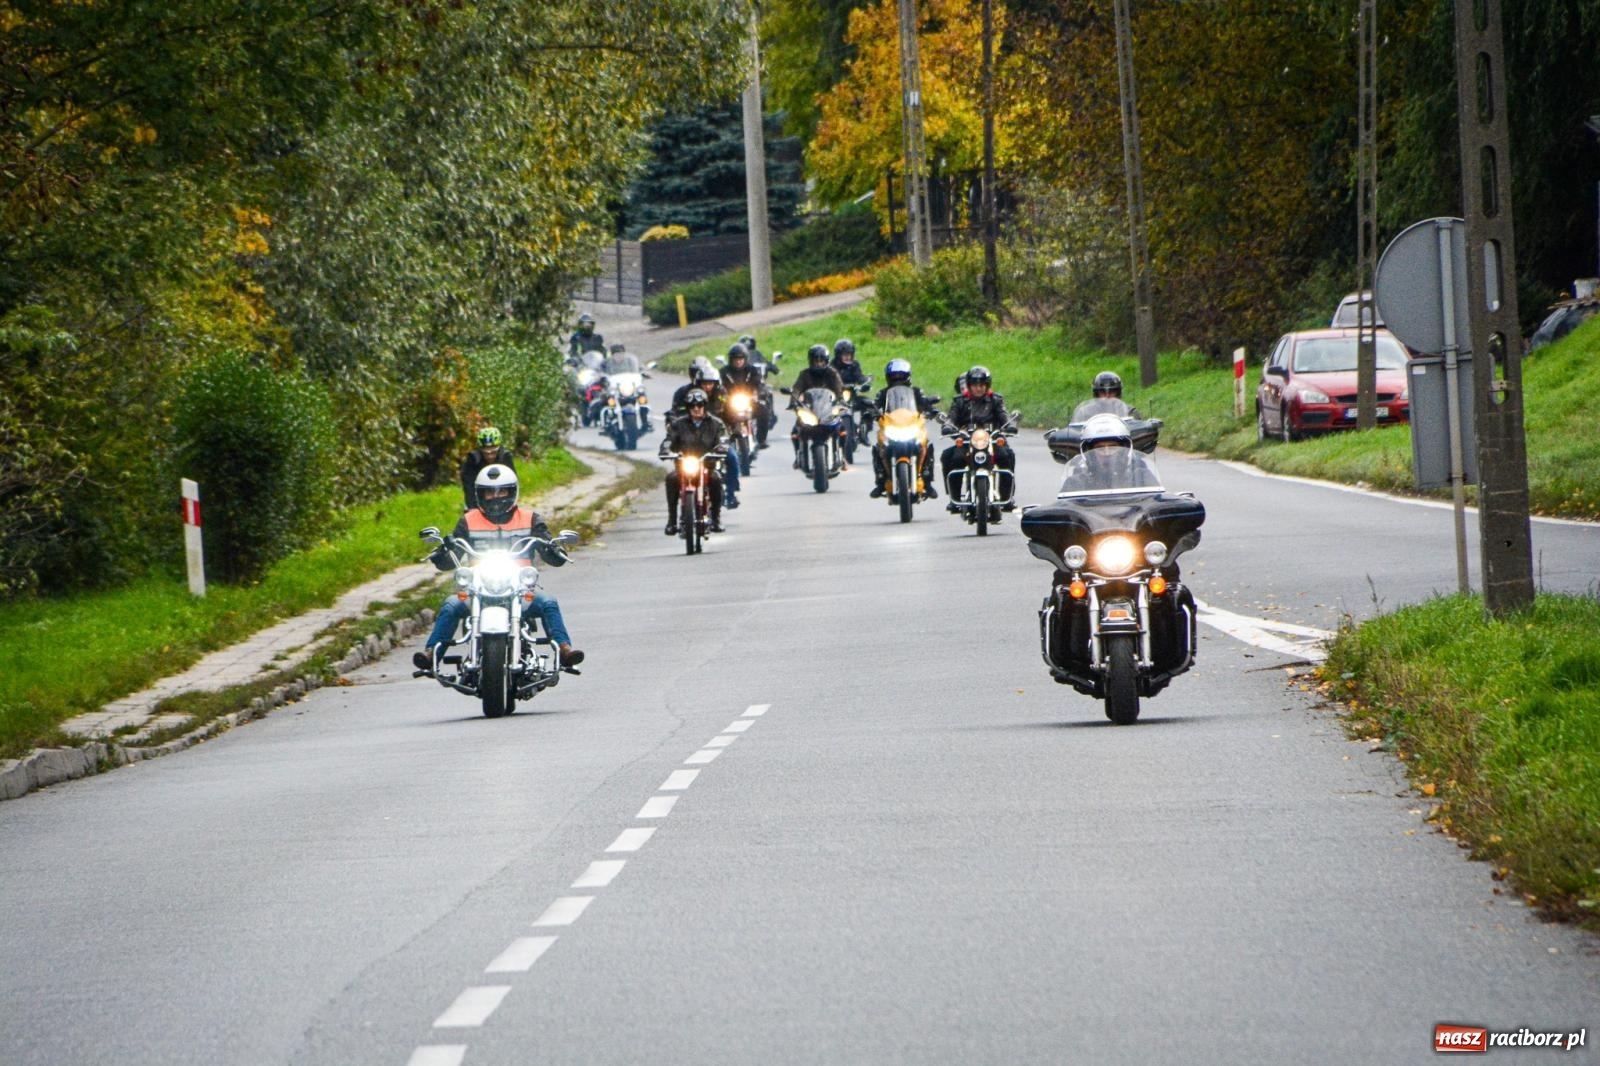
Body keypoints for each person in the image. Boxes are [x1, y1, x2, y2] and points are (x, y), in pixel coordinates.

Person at [414, 464, 584, 673]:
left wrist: (554, 547)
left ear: (512, 491)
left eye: (501, 491)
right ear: (479, 494)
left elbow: (551, 553)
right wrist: (443, 551)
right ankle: (431, 655)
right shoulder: (468, 521)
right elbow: (451, 558)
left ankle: (565, 649)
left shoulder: (530, 519)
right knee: (450, 605)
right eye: (489, 492)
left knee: (548, 602)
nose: (495, 497)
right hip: (477, 589)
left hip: (521, 590)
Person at [939, 365, 1016, 511]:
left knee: (1007, 456)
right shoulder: (960, 401)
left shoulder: (996, 400)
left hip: (991, 440)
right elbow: (951, 418)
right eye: (975, 385)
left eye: (982, 385)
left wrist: (1010, 424)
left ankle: (1007, 498)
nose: (978, 388)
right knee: (951, 458)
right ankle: (954, 499)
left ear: (987, 386)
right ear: (969, 386)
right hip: (968, 441)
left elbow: (1004, 415)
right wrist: (948, 426)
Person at [660, 389, 729, 535]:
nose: (696, 408)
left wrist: (720, 449)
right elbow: (668, 440)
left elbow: (723, 440)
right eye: (692, 406)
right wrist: (666, 450)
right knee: (671, 479)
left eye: (699, 405)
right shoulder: (678, 424)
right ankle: (672, 521)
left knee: (716, 480)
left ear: (705, 405)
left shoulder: (716, 424)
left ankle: (716, 519)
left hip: (707, 466)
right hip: (684, 467)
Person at [870, 358, 939, 499]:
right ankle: (881, 481)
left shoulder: (916, 392)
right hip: (892, 427)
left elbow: (926, 403)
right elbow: (875, 406)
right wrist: (870, 412)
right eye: (894, 378)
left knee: (927, 445)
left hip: (911, 426)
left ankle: (927, 481)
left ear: (908, 377)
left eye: (900, 377)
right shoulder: (883, 394)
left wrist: (931, 409)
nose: (897, 381)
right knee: (878, 448)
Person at [671, 367, 740, 506]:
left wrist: (734, 431)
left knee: (732, 458)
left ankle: (731, 494)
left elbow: (732, 415)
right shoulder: (686, 395)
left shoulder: (722, 395)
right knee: (671, 479)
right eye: (704, 383)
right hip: (690, 443)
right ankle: (673, 519)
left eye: (710, 383)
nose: (707, 386)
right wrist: (668, 447)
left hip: (716, 438)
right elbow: (674, 417)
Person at [1058, 413, 1161, 494]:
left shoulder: (1141, 477)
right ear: (1089, 453)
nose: (1107, 453)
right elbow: (1065, 512)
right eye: (1100, 448)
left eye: (1113, 447)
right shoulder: (1076, 482)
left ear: (1124, 450)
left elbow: (1156, 506)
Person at [789, 345, 846, 468]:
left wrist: (841, 399)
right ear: (811, 361)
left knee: (842, 429)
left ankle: (842, 456)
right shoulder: (804, 374)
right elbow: (797, 389)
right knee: (795, 431)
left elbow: (839, 387)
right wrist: (793, 401)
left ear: (826, 361)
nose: (819, 364)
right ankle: (798, 456)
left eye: (821, 361)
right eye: (816, 361)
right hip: (810, 409)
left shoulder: (832, 373)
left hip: (827, 409)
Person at [458, 427, 518, 510]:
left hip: (502, 496)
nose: (490, 456)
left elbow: (513, 483)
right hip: (478, 496)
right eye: (486, 453)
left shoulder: (505, 457)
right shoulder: (473, 459)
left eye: (493, 452)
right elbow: (469, 485)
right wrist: (473, 508)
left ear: (499, 448)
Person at [1070, 371, 1142, 422]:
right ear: (1096, 393)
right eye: (1102, 392)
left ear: (1118, 392)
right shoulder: (1084, 412)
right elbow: (1076, 432)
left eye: (1112, 391)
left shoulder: (1129, 412)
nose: (1107, 396)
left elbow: (1136, 431)